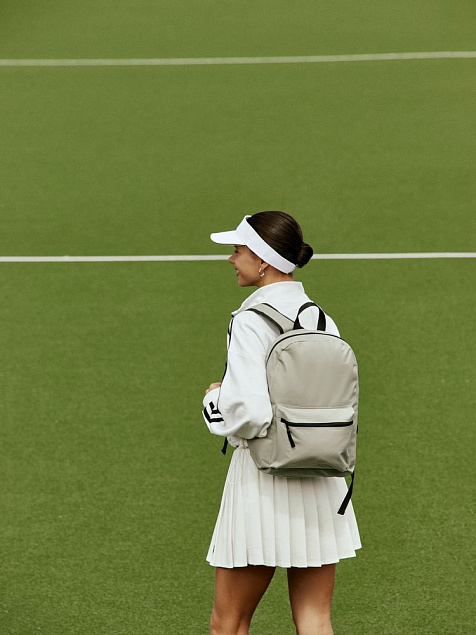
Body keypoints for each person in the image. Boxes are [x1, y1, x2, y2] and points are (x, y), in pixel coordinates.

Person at [202, 211, 361, 635]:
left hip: (264, 481)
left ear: (263, 260)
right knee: (314, 620)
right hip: (323, 481)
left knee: (228, 623)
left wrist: (215, 402)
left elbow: (251, 413)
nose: (231, 260)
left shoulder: (250, 321)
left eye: (237, 252)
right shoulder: (322, 319)